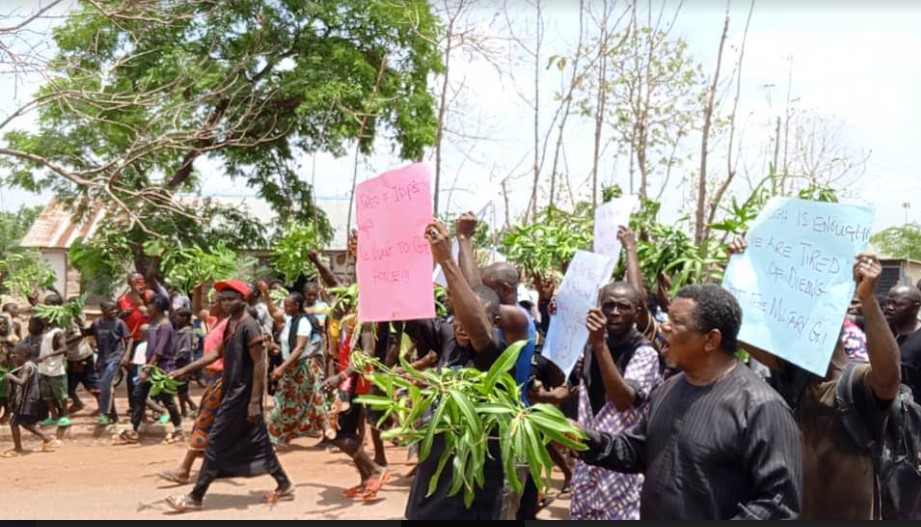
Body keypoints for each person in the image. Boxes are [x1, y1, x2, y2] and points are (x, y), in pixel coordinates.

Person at [577, 283, 802, 520]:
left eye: (675, 322)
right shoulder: (668, 389)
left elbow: (778, 504)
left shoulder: (761, 408)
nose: (663, 327)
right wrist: (580, 438)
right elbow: (634, 449)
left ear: (710, 340)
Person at [404, 219, 510, 521]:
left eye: (470, 317)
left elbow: (477, 325)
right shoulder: (449, 336)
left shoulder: (497, 355)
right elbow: (405, 307)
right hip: (432, 474)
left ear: (494, 324)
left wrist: (447, 258)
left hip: (469, 484)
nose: (462, 324)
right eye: (456, 315)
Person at [165, 280, 293, 512]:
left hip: (242, 394)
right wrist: (185, 369)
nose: (225, 303)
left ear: (243, 300)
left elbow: (260, 363)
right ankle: (283, 483)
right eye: (222, 299)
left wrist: (254, 401)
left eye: (230, 299)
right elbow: (216, 353)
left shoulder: (249, 326)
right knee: (258, 439)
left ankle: (196, 495)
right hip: (230, 389)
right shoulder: (230, 324)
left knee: (214, 442)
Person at [569, 281, 664, 520]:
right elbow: (572, 386)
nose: (614, 312)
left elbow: (623, 401)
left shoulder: (644, 352)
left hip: (621, 467)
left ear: (637, 313)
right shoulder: (590, 345)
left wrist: (599, 345)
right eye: (608, 305)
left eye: (623, 307)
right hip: (588, 459)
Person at [159, 290, 229, 485]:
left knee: (203, 422)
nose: (210, 304)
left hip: (222, 378)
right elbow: (197, 309)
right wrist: (198, 289)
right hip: (212, 377)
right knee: (218, 425)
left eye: (213, 301)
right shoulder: (215, 320)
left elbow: (215, 354)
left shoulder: (228, 326)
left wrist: (184, 370)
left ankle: (184, 470)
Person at [263, 288, 333, 445]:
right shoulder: (289, 320)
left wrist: (281, 368)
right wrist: (266, 294)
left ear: (297, 306)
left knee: (314, 402)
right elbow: (274, 312)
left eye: (288, 306)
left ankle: (329, 434)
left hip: (303, 368)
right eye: (284, 305)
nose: (285, 308)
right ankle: (274, 437)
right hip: (292, 369)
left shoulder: (303, 323)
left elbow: (299, 348)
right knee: (284, 402)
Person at [117, 295, 182, 443]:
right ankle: (134, 429)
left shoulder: (165, 325)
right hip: (149, 365)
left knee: (167, 399)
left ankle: (178, 429)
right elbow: (138, 303)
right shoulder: (153, 323)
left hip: (161, 368)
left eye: (150, 305)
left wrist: (147, 369)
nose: (147, 308)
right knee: (138, 395)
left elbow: (159, 351)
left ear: (158, 306)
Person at [3, 343, 62, 457]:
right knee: (25, 423)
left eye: (16, 355)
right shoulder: (29, 364)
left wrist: (10, 377)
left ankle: (18, 448)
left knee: (13, 422)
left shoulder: (27, 366)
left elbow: (22, 382)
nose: (13, 357)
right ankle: (47, 438)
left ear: (23, 355)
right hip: (31, 399)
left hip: (27, 399)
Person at [91, 300, 131, 425]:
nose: (115, 312)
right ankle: (113, 416)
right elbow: (86, 333)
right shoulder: (96, 323)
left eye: (115, 309)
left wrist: (126, 355)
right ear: (102, 311)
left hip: (116, 357)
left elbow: (129, 339)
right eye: (111, 309)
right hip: (102, 359)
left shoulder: (119, 323)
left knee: (105, 383)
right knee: (104, 387)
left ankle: (104, 414)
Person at [884, 284, 921, 399]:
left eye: (897, 304)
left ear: (915, 307)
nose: (890, 307)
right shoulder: (879, 329)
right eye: (888, 302)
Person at [36, 306, 71, 428]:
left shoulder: (57, 332)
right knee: (47, 394)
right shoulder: (46, 332)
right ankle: (54, 416)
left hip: (56, 368)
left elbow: (64, 348)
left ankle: (65, 416)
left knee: (61, 395)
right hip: (44, 368)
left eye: (44, 317)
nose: (42, 319)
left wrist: (47, 355)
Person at [172, 307, 199, 418]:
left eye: (177, 317)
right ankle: (191, 405)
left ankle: (184, 411)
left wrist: (175, 358)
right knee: (180, 388)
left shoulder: (187, 332)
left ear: (185, 318)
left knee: (182, 388)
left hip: (184, 364)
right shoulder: (178, 331)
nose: (175, 319)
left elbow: (186, 350)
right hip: (178, 363)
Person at [0, 316, 20, 423]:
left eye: (4, 324)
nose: (2, 326)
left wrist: (10, 345)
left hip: (8, 369)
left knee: (6, 392)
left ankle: (7, 413)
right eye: (0, 324)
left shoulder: (12, 338)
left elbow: (20, 350)